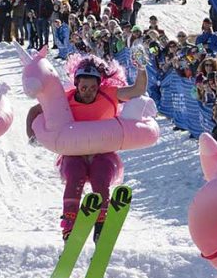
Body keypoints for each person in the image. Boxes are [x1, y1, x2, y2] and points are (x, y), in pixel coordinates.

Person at [26, 55, 148, 241]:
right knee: (75, 175)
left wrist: (141, 67)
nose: (89, 92)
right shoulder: (65, 99)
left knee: (101, 175)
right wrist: (32, 135)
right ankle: (70, 224)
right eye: (84, 87)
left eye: (93, 88)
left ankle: (101, 223)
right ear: (77, 84)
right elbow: (34, 111)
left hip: (102, 152)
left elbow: (137, 89)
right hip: (75, 152)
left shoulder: (109, 94)